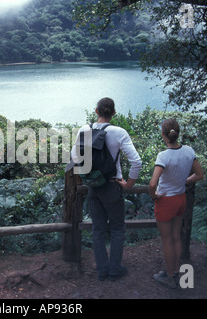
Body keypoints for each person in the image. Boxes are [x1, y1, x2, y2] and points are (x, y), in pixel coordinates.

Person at [71, 97, 142, 281]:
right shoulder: (119, 132)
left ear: (96, 111)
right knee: (117, 229)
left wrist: (88, 176)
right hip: (112, 186)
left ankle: (102, 271)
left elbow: (73, 157)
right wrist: (129, 184)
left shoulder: (85, 130)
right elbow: (136, 161)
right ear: (114, 113)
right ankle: (114, 270)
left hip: (94, 186)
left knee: (98, 230)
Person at [149, 119, 204, 289]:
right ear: (177, 133)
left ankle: (171, 276)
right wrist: (184, 181)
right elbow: (199, 175)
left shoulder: (163, 156)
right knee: (176, 238)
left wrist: (154, 195)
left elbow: (152, 184)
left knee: (167, 241)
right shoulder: (188, 151)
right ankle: (176, 272)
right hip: (181, 199)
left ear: (163, 135)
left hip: (166, 201)